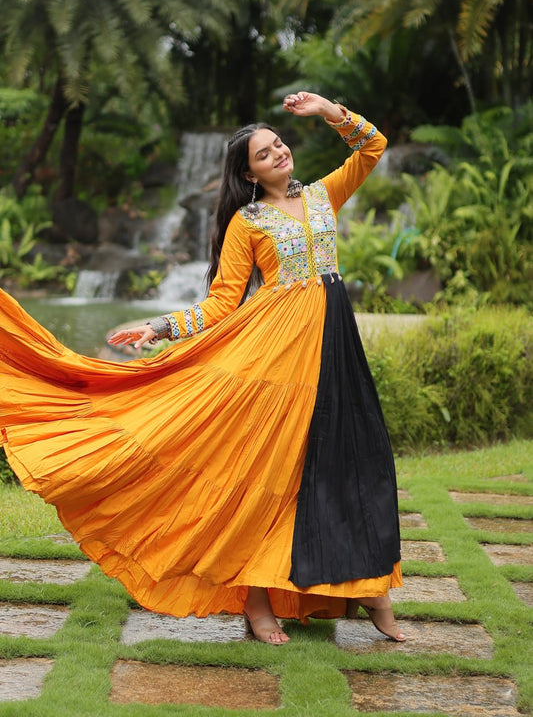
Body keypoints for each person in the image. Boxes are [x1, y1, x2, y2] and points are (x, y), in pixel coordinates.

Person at [0, 91, 404, 646]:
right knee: (268, 476)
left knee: (352, 463)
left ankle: (373, 589)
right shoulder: (247, 222)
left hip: (335, 347)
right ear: (249, 174)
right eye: (264, 153)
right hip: (274, 360)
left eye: (279, 143)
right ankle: (256, 599)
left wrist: (328, 111)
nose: (279, 153)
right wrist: (160, 327)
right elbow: (220, 304)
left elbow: (373, 146)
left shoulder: (322, 196)